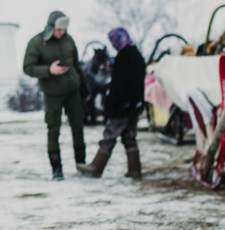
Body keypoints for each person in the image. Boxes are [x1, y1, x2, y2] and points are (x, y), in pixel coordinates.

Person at [22, 10, 86, 180]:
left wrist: (83, 83)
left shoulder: (69, 40)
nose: (62, 33)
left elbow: (76, 64)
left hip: (72, 90)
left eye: (64, 30)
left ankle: (82, 164)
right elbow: (27, 68)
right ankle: (56, 169)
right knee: (53, 129)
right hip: (52, 93)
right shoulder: (37, 43)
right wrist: (48, 70)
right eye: (59, 30)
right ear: (51, 27)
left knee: (78, 127)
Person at [78, 27, 144, 179]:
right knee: (129, 137)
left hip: (122, 106)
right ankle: (134, 169)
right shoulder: (137, 55)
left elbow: (118, 86)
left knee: (109, 135)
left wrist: (110, 106)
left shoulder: (123, 57)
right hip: (135, 106)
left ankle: (96, 167)